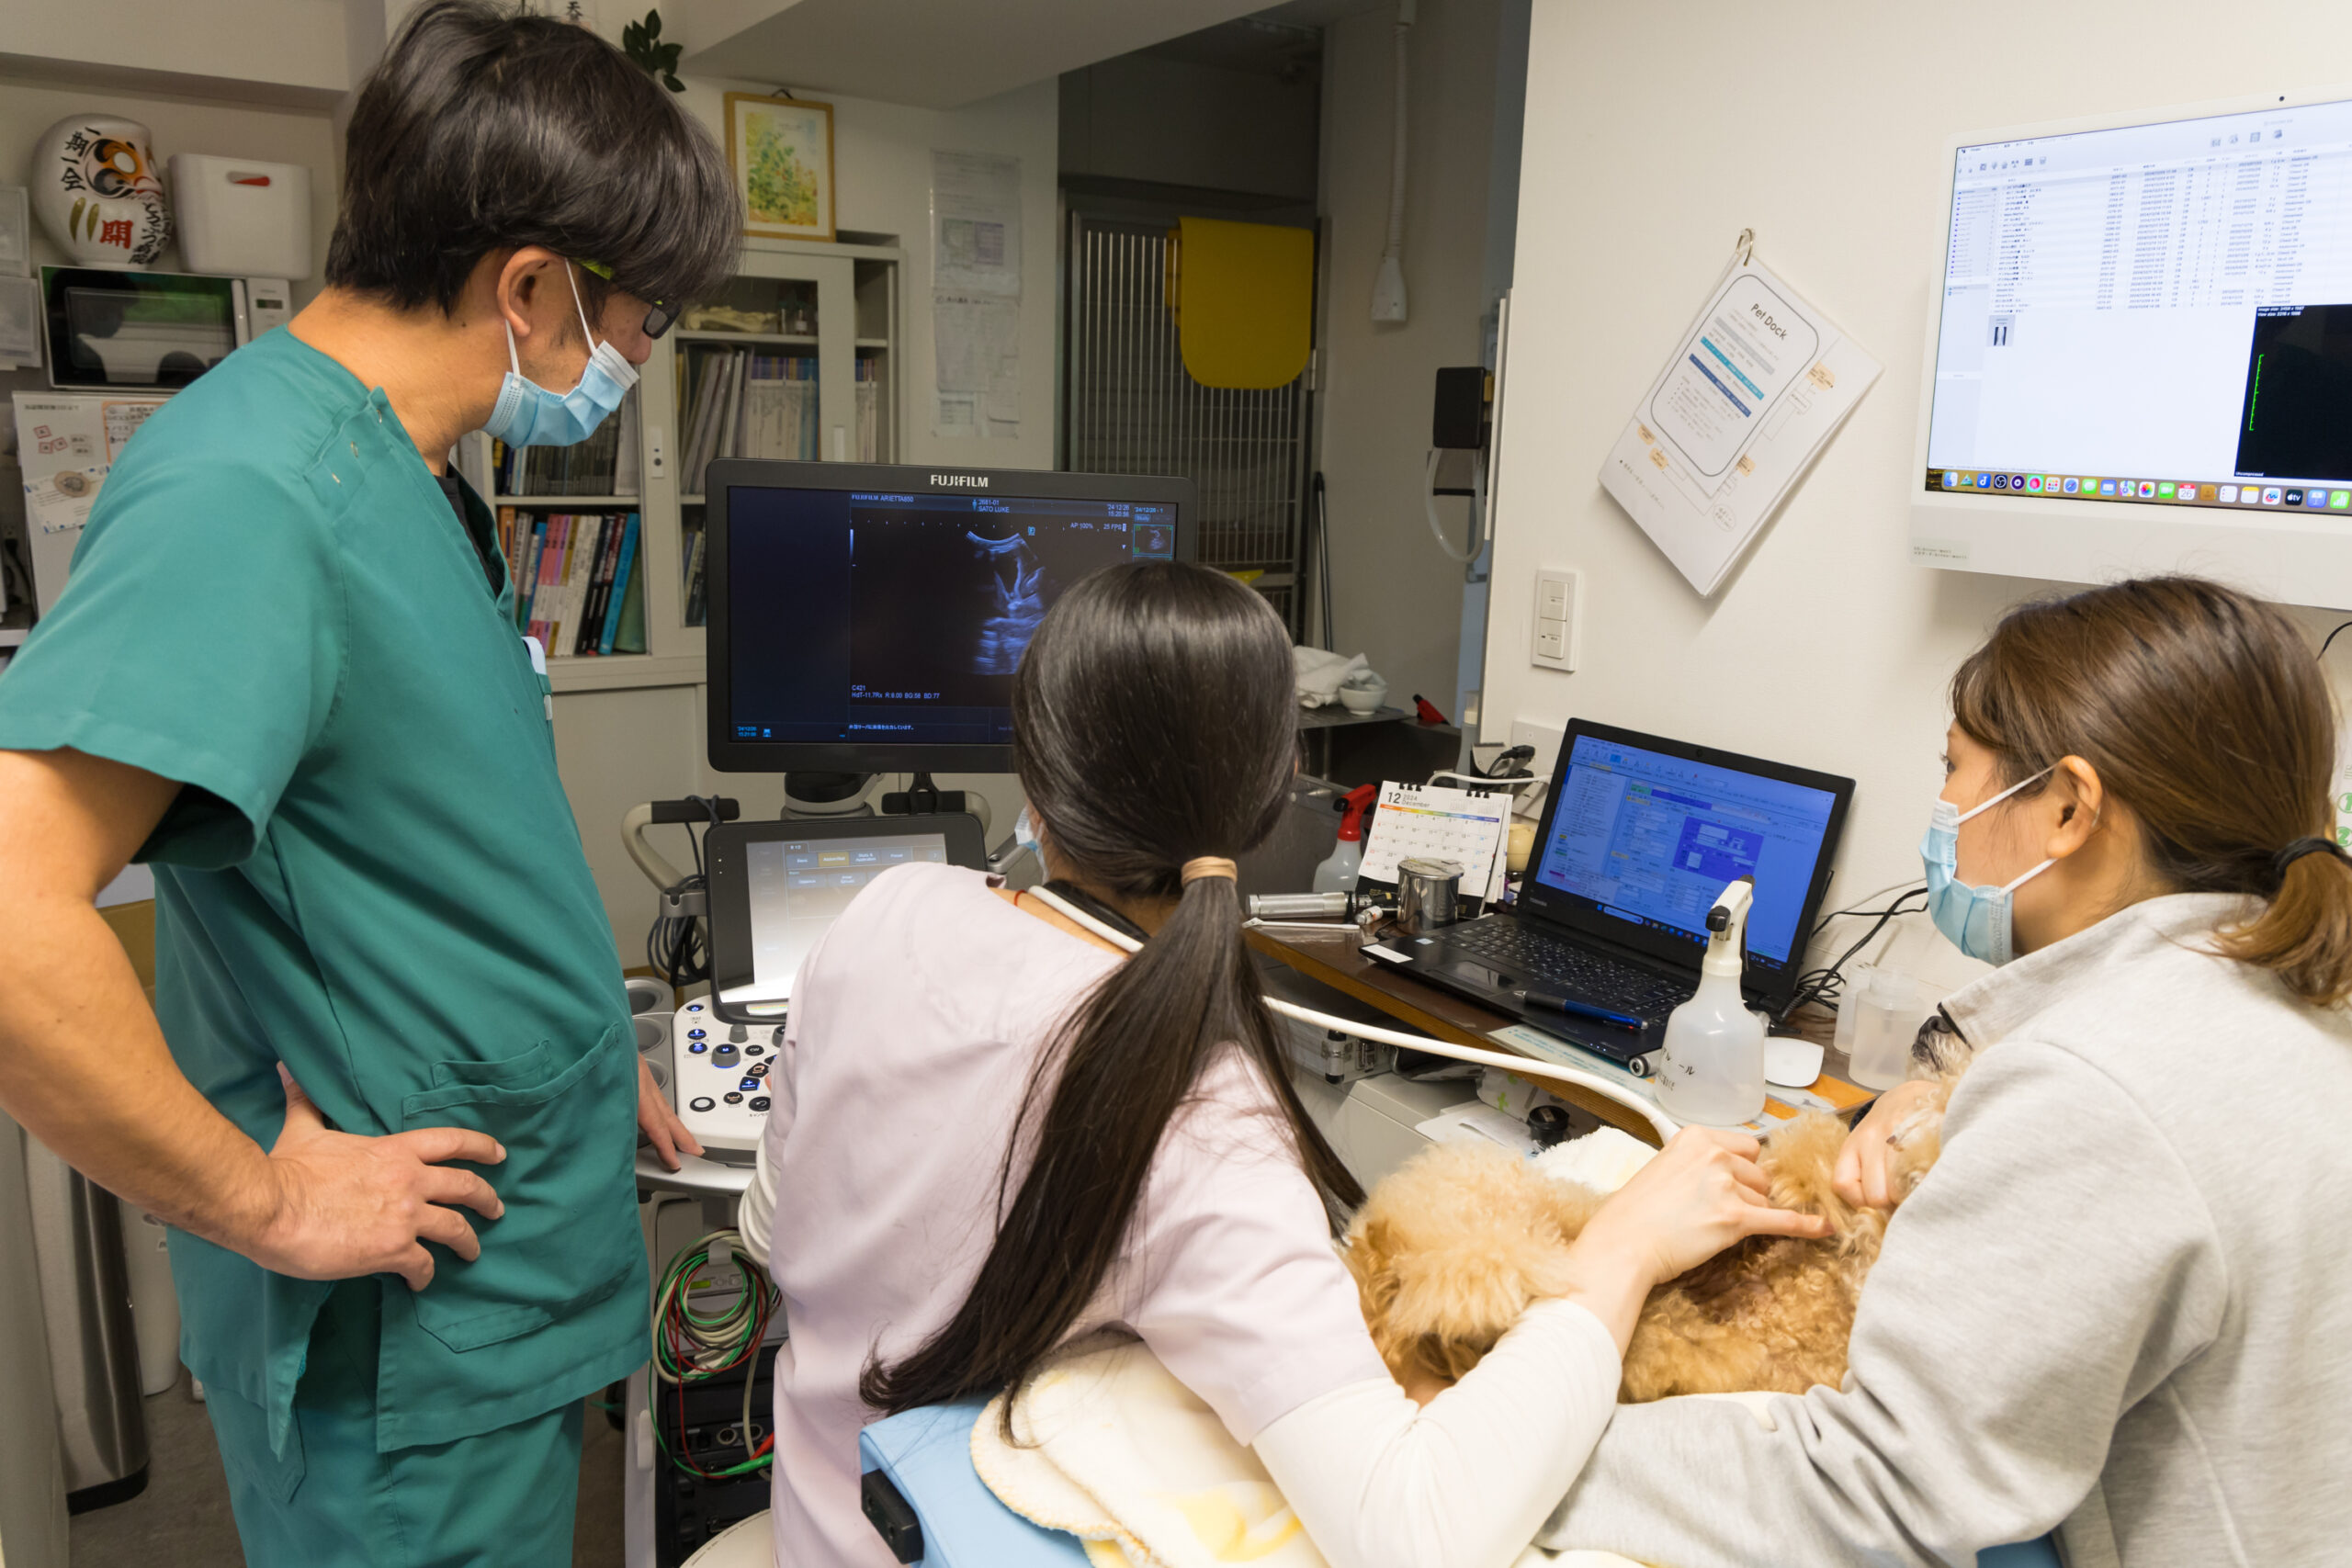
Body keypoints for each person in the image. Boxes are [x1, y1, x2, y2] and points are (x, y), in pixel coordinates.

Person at [0, 6, 736, 1563]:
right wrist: (258, 1201)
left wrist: (589, 1049)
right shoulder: (256, 491)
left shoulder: (410, 473)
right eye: (644, 315)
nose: (640, 359)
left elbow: (426, 839)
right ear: (529, 286)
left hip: (500, 1283)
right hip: (407, 1356)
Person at [736, 559, 1830, 1568]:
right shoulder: (1200, 1119)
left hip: (822, 1526)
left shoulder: (887, 907)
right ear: (1269, 801)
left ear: (1035, 765)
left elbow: (765, 1228)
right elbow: (1417, 1532)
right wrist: (1624, 1250)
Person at [1539, 576, 2352, 1566]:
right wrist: (1942, 1089)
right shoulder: (2284, 998)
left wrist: (1498, 1446)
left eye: (1956, 769)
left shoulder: (2093, 1087)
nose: (1946, 807)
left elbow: (1875, 1491)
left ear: (2066, 808)